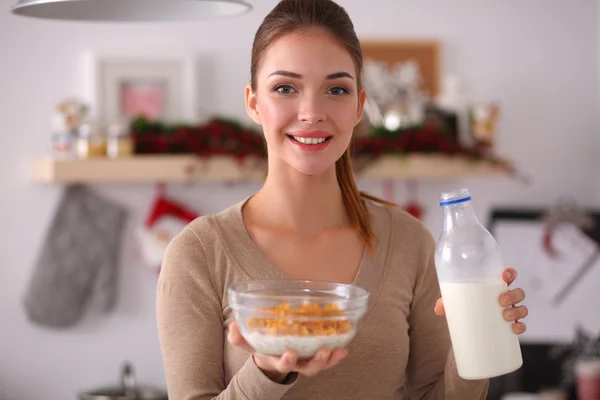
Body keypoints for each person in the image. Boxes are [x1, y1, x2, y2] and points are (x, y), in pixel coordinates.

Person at [156, 0, 529, 399]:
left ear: (358, 107)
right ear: (253, 103)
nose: (312, 112)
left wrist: (477, 345)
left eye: (336, 89)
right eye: (285, 88)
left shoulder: (409, 241)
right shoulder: (198, 254)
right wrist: (267, 369)